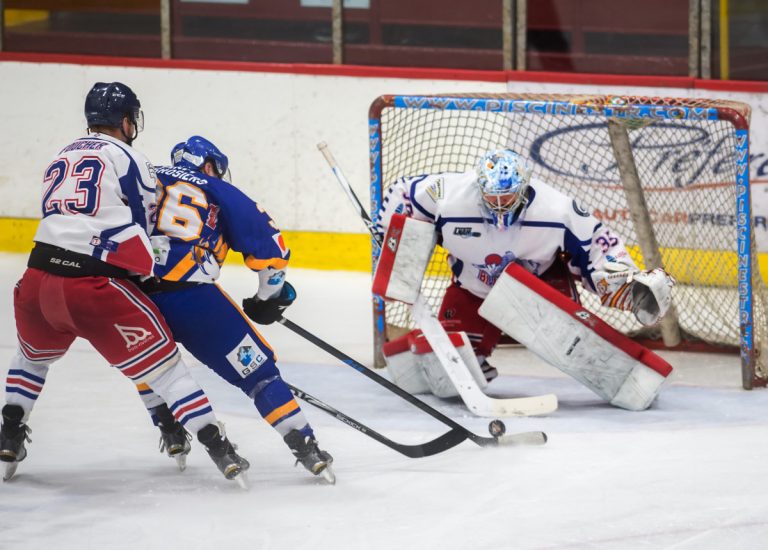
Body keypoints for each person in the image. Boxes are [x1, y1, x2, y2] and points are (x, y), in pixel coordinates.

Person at [0, 83, 248, 482]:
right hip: (93, 286)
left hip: (37, 279)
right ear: (127, 121)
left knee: (30, 359)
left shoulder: (62, 154)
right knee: (166, 368)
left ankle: (10, 433)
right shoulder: (131, 157)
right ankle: (220, 449)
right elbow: (144, 224)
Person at [375, 148, 674, 384]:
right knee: (451, 367)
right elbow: (403, 192)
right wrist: (387, 244)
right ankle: (471, 356)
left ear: (524, 187)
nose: (500, 204)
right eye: (492, 196)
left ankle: (600, 361)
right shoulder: (448, 195)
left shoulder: (557, 210)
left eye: (507, 196)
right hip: (473, 290)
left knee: (570, 342)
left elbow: (597, 244)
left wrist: (625, 282)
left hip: (538, 289)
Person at [135, 135, 334, 482]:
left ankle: (170, 429)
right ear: (209, 166)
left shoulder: (143, 176)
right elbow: (271, 256)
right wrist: (266, 299)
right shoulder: (220, 190)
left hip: (134, 297)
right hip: (194, 301)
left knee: (150, 365)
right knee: (259, 374)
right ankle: (306, 447)